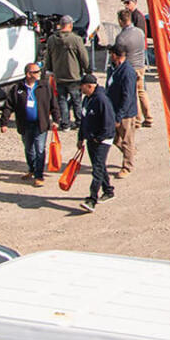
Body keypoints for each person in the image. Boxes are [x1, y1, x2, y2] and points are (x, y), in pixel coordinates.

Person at [1, 63, 59, 187]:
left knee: (39, 149)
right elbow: (8, 106)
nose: (39, 73)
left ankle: (39, 175)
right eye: (36, 71)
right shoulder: (17, 88)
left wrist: (56, 120)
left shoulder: (45, 86)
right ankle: (32, 169)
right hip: (25, 124)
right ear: (28, 74)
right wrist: (4, 122)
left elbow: (53, 104)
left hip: (41, 124)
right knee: (29, 149)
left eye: (39, 71)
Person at [76, 73, 116, 213]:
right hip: (91, 139)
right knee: (98, 165)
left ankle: (92, 199)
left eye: (82, 86)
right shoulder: (87, 99)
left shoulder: (101, 100)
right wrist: (81, 137)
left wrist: (99, 138)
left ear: (89, 86)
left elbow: (109, 123)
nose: (80, 89)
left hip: (102, 140)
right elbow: (84, 120)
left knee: (97, 169)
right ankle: (108, 190)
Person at [43, 15, 89, 130]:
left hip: (59, 75)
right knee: (76, 100)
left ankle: (65, 123)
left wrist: (49, 69)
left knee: (62, 100)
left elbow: (47, 57)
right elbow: (83, 57)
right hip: (74, 75)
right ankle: (79, 122)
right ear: (70, 25)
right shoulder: (76, 39)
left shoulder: (52, 39)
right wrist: (87, 69)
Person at [114, 8, 152, 128]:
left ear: (121, 21)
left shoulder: (121, 37)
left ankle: (137, 119)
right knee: (141, 91)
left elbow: (119, 55)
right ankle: (149, 117)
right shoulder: (139, 32)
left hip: (130, 67)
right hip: (141, 65)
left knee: (132, 93)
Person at [104, 44, 138, 179]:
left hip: (125, 113)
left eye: (111, 54)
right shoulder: (113, 69)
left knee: (127, 140)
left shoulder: (127, 72)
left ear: (115, 55)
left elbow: (128, 96)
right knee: (114, 138)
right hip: (113, 108)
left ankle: (127, 166)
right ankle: (130, 152)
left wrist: (120, 116)